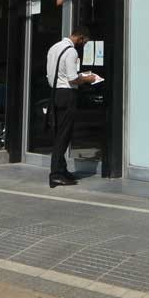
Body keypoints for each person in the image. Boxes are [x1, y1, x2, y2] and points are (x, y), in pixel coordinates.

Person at [45, 25, 99, 188]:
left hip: (55, 93)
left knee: (59, 133)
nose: (83, 44)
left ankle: (62, 170)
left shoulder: (54, 48)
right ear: (80, 37)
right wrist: (88, 79)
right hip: (67, 95)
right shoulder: (71, 52)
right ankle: (55, 174)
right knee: (63, 136)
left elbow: (54, 74)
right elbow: (72, 79)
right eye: (84, 41)